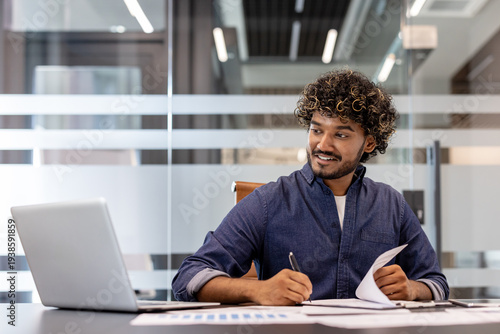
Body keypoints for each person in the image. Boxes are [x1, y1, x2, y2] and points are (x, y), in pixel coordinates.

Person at [172, 69, 449, 305]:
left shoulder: (391, 205)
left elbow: (436, 283)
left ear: (369, 143)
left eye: (340, 134)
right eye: (317, 130)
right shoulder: (269, 202)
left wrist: (412, 289)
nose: (323, 145)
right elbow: (188, 277)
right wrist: (258, 289)